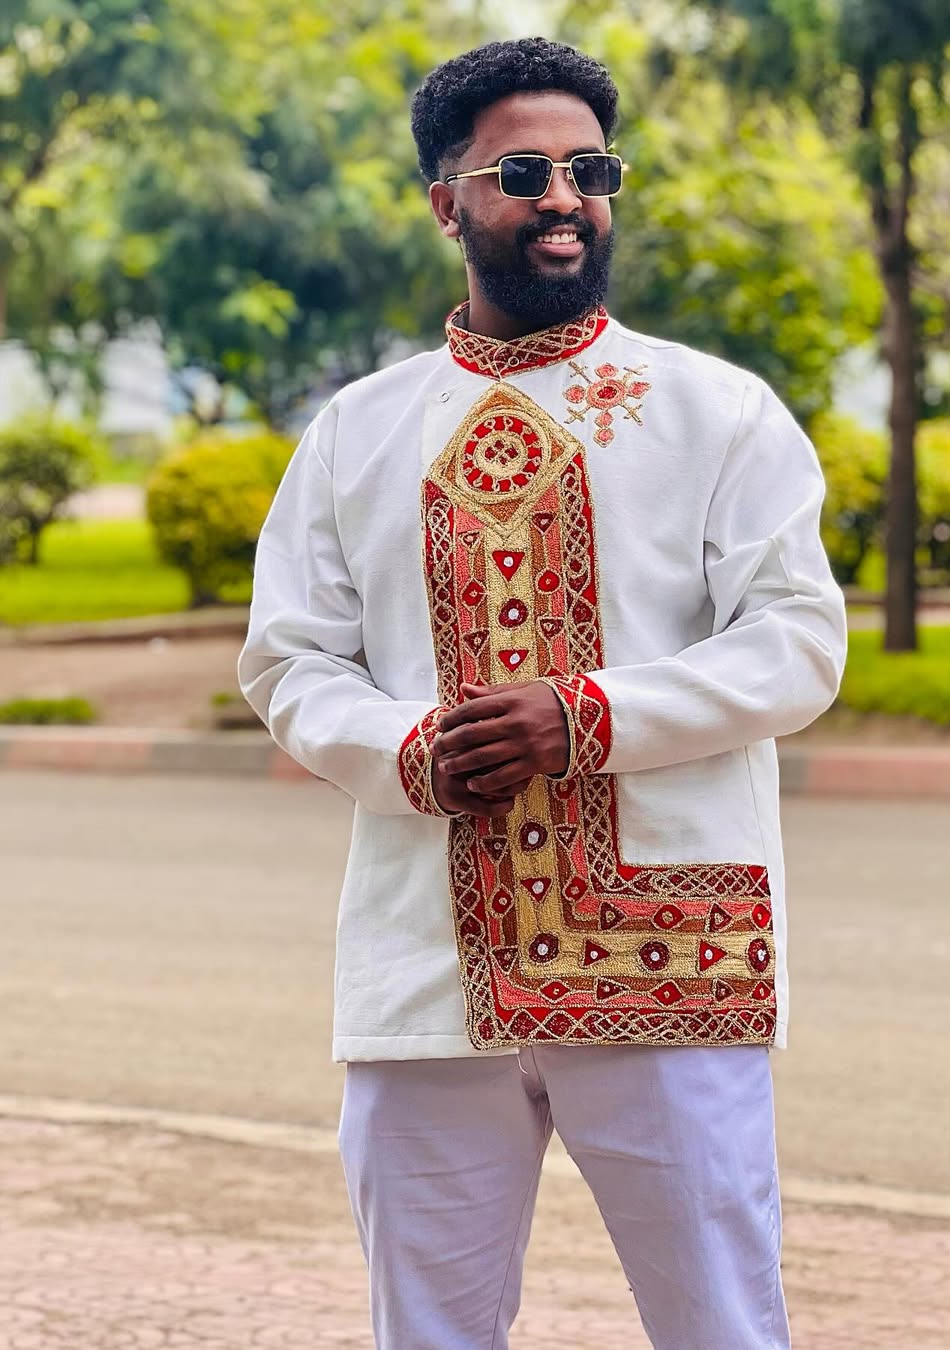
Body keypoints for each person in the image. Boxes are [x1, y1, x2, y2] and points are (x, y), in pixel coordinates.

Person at [238, 35, 846, 1350]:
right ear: (445, 199)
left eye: (589, 168)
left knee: (724, 1328)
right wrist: (407, 748)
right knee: (431, 1332)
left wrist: (588, 716)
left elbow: (797, 641)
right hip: (425, 972)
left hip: (669, 967)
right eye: (523, 171)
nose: (564, 196)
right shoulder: (359, 432)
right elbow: (289, 656)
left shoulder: (717, 415)